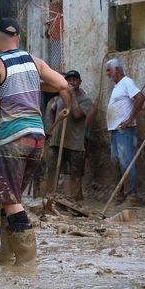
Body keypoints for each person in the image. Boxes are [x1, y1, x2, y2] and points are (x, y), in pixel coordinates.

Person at [0, 17, 69, 266]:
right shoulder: (34, 61)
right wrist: (32, 83)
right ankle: (5, 253)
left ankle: (27, 258)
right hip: (37, 139)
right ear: (18, 37)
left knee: (9, 199)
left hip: (12, 137)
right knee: (11, 197)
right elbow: (62, 84)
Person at [43, 70, 96, 202]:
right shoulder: (61, 97)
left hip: (75, 143)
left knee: (76, 174)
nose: (71, 82)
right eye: (69, 80)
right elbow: (52, 108)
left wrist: (72, 96)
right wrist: (52, 128)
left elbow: (77, 114)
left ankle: (75, 200)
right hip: (57, 141)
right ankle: (50, 197)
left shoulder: (85, 100)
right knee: (53, 170)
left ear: (80, 82)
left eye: (74, 80)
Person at [105, 59, 145, 205]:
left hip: (125, 130)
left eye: (109, 70)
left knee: (127, 162)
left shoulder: (127, 82)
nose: (107, 74)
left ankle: (132, 196)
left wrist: (129, 120)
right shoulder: (117, 86)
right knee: (116, 162)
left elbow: (140, 98)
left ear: (116, 69)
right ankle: (120, 195)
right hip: (116, 131)